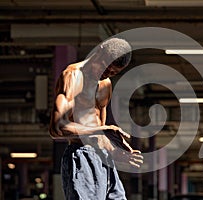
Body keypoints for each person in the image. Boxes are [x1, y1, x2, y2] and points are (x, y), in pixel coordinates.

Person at [49, 38, 143, 200]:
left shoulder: (105, 84)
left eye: (113, 73)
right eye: (105, 68)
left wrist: (114, 151)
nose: (106, 74)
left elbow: (100, 132)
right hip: (82, 156)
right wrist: (100, 130)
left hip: (103, 157)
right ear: (98, 52)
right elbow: (56, 128)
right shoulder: (72, 76)